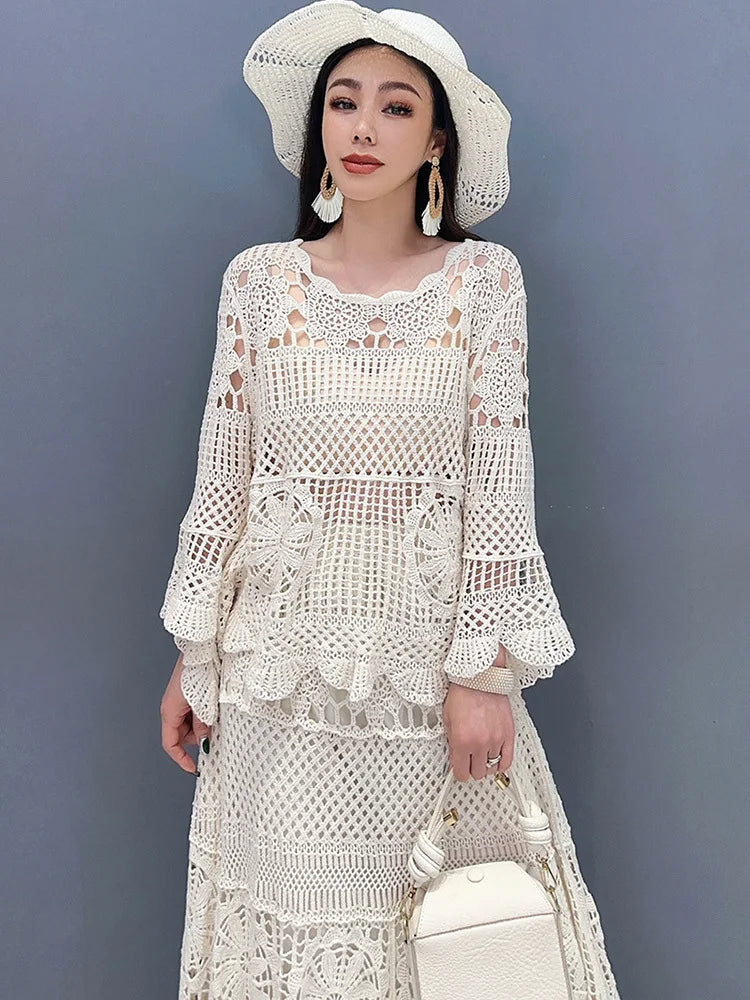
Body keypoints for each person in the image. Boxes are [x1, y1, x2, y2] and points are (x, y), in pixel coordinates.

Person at [158, 3, 622, 997]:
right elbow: (227, 482)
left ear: (437, 140)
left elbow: (500, 482)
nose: (364, 127)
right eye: (344, 102)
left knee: (449, 950)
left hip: (427, 684)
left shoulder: (484, 283)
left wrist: (482, 675)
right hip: (274, 691)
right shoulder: (258, 284)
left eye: (397, 106)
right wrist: (193, 656)